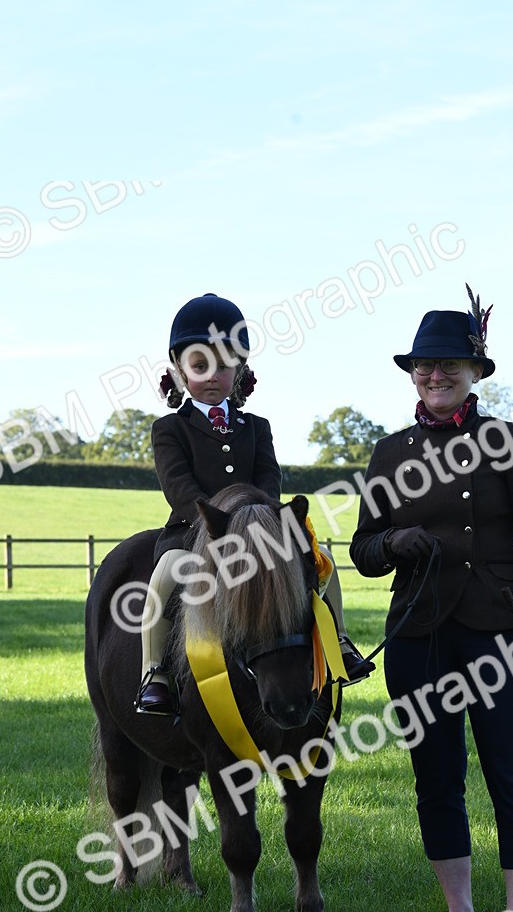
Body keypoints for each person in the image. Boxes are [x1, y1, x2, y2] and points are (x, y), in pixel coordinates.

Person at [349, 287, 513, 912]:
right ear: (412, 374)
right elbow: (362, 549)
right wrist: (391, 544)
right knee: (435, 774)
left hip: (502, 631)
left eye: (449, 365)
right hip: (419, 635)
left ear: (475, 372)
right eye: (424, 366)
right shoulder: (389, 453)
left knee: (510, 769)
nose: (435, 375)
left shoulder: (506, 444)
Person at [136, 292, 373, 715]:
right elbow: (179, 486)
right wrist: (216, 526)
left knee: (322, 562)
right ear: (179, 370)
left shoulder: (257, 427)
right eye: (199, 366)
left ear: (240, 370)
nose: (212, 376)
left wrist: (259, 521)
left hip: (260, 531)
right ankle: (155, 672)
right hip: (195, 534)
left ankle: (338, 644)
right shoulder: (169, 429)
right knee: (164, 574)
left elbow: (269, 480)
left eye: (224, 366)